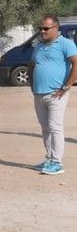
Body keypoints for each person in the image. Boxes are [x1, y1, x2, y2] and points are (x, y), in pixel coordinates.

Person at [27, 15, 77, 175]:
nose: (42, 31)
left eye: (46, 28)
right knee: (45, 128)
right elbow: (32, 64)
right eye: (40, 28)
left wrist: (66, 86)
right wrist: (32, 84)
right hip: (39, 93)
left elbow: (76, 63)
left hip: (57, 94)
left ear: (56, 28)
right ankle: (49, 158)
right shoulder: (39, 45)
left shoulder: (66, 44)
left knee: (55, 127)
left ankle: (57, 162)